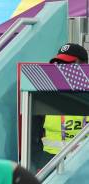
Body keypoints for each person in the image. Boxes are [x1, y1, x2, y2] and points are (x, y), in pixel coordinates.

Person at [31, 43, 89, 171]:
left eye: (69, 63)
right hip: (51, 165)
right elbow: (32, 138)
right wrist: (44, 164)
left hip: (84, 165)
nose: (63, 68)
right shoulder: (45, 95)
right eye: (59, 63)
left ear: (84, 66)